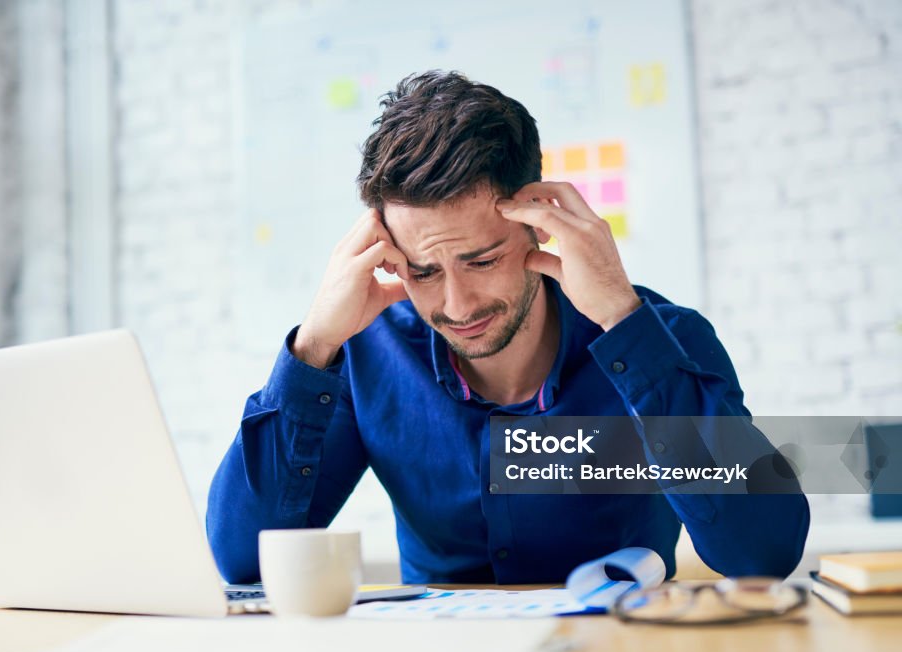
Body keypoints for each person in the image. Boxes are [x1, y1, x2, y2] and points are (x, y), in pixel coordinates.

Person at [206, 70, 809, 584]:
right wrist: (313, 346)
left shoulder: (663, 340)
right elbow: (243, 560)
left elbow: (762, 553)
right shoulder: (369, 355)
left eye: (482, 260)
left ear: (538, 225)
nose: (457, 304)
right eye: (422, 270)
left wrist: (623, 320)